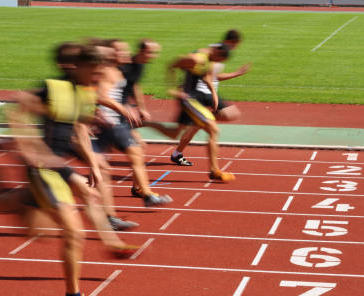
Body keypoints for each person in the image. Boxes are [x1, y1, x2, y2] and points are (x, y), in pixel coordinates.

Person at [0, 44, 136, 296]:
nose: (98, 80)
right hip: (41, 168)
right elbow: (18, 107)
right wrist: (24, 144)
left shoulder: (85, 94)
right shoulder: (52, 88)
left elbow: (78, 132)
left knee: (45, 210)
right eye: (95, 74)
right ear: (79, 67)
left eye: (100, 75)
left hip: (58, 166)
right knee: (69, 232)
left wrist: (93, 163)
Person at [92, 39, 172, 207]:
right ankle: (145, 194)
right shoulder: (111, 71)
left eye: (125, 51)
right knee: (131, 153)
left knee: (133, 151)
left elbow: (131, 87)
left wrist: (136, 107)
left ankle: (141, 191)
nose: (125, 54)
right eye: (119, 51)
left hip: (116, 119)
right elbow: (100, 95)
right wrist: (123, 108)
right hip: (110, 121)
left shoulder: (122, 69)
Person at [145, 43, 235, 182]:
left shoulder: (211, 60)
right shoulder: (196, 59)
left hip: (196, 98)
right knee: (213, 129)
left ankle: (147, 124)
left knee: (174, 133)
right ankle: (214, 171)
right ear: (216, 52)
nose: (218, 63)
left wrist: (214, 94)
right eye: (219, 59)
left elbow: (207, 78)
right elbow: (171, 64)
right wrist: (173, 89)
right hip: (189, 98)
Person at [170, 29, 250, 167]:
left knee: (227, 115)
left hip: (208, 92)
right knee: (201, 124)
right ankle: (179, 152)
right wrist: (237, 73)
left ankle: (178, 152)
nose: (236, 48)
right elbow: (205, 71)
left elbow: (211, 75)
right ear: (232, 42)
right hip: (199, 93)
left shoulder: (220, 53)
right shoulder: (212, 52)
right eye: (237, 44)